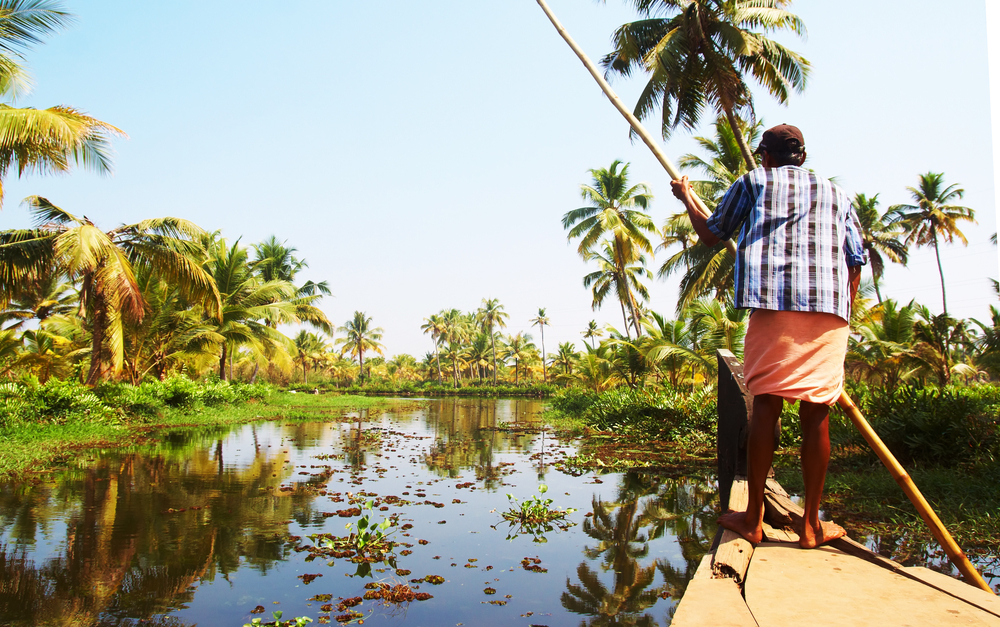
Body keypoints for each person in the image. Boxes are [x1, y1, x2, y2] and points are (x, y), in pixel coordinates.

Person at [670, 124, 866, 549]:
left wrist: (686, 197)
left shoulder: (753, 181)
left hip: (774, 304)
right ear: (803, 156)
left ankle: (754, 519)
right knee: (817, 413)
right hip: (831, 311)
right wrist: (843, 311)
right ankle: (811, 527)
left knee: (767, 407)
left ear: (766, 156)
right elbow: (856, 260)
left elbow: (712, 233)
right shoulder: (838, 194)